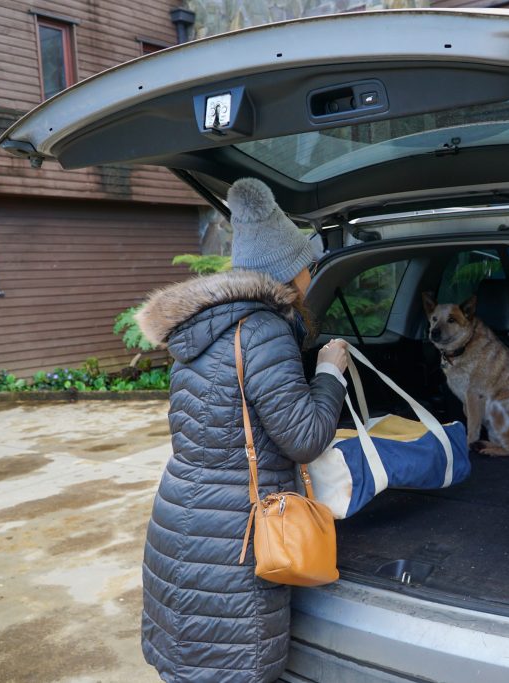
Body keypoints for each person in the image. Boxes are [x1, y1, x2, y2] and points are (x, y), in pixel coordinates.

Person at [134, 177, 349, 682]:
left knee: (189, 659)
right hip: (235, 532)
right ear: (284, 270)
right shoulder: (264, 329)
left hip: (182, 516)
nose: (309, 272)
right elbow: (304, 437)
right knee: (233, 666)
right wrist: (330, 372)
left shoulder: (202, 327)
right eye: (305, 263)